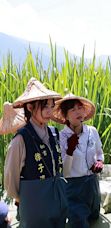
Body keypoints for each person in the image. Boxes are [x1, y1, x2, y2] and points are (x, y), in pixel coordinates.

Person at [3, 78, 68, 228]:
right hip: (34, 202)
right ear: (31, 107)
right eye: (45, 107)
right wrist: (23, 197)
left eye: (51, 107)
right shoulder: (21, 139)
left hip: (58, 197)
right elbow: (10, 178)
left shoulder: (54, 133)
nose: (49, 112)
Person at [52, 93, 104, 227]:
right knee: (79, 222)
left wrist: (99, 162)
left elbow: (99, 152)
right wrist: (70, 150)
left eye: (80, 108)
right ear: (65, 116)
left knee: (94, 218)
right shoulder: (61, 137)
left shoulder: (92, 131)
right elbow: (65, 172)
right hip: (73, 187)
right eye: (73, 109)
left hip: (92, 184)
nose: (78, 112)